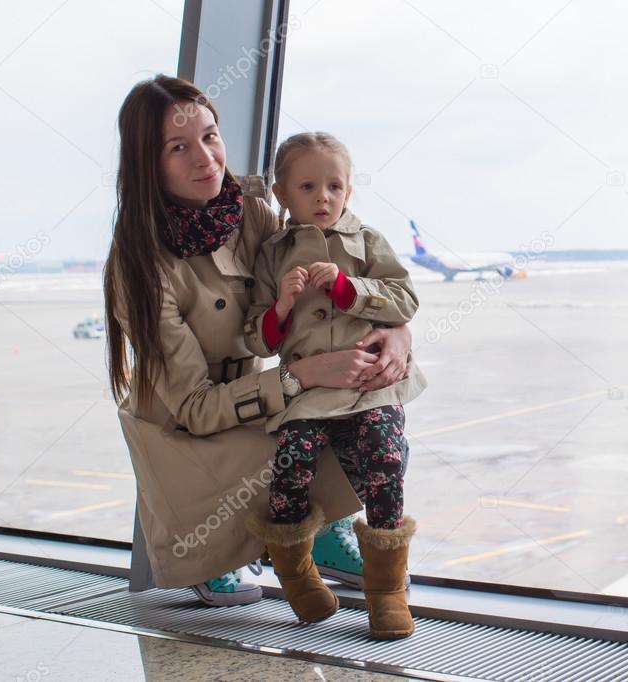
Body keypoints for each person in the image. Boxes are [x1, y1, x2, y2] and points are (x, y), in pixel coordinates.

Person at [103, 74, 421, 607]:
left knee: (363, 418)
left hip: (259, 395)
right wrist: (301, 377)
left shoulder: (250, 211)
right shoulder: (138, 267)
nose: (205, 158)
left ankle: (318, 532)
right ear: (148, 165)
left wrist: (396, 332)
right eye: (178, 148)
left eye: (210, 136)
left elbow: (331, 290)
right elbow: (197, 407)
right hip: (191, 423)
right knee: (298, 432)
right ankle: (233, 547)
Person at [242, 132, 424, 639]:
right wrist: (281, 306)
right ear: (282, 195)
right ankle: (297, 577)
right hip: (309, 391)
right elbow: (254, 337)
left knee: (385, 461)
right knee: (291, 464)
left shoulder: (366, 240)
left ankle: (386, 592)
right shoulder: (274, 254)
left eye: (334, 186)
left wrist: (349, 289)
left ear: (348, 191)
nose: (323, 197)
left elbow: (404, 301)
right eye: (308, 186)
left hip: (369, 383)